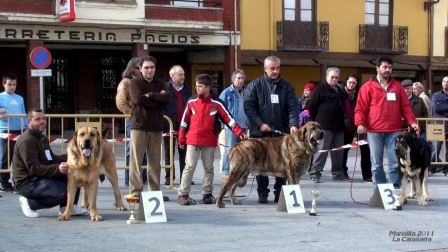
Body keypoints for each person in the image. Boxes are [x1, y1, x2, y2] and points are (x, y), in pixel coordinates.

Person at [177, 74, 246, 205]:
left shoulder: (217, 103)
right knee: (189, 167)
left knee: (208, 168)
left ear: (208, 87)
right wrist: (181, 138)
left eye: (200, 87)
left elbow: (229, 119)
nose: (197, 89)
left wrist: (240, 132)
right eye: (196, 86)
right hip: (192, 140)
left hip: (209, 141)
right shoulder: (191, 102)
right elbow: (184, 122)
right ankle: (183, 194)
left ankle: (207, 194)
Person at [355, 56, 419, 189]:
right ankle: (380, 189)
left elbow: (405, 107)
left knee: (395, 162)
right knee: (376, 163)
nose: (387, 70)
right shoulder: (367, 86)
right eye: (385, 67)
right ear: (377, 68)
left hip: (393, 131)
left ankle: (395, 188)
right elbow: (360, 108)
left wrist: (412, 122)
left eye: (390, 67)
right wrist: (360, 124)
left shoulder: (397, 86)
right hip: (374, 131)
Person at [13, 109, 88, 218]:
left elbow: (51, 159)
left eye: (43, 118)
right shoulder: (27, 141)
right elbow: (33, 168)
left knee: (74, 176)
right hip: (28, 181)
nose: (42, 121)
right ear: (29, 122)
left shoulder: (42, 138)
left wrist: (73, 155)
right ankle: (29, 203)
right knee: (63, 193)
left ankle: (67, 207)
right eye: (37, 119)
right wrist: (58, 169)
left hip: (41, 175)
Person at [244, 56, 299, 204]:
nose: (275, 71)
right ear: (265, 69)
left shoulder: (287, 87)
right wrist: (260, 124)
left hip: (281, 135)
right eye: (272, 68)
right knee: (261, 164)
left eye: (277, 68)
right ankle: (262, 193)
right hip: (260, 134)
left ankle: (279, 194)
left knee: (283, 164)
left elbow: (293, 107)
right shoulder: (255, 85)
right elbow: (248, 106)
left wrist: (294, 124)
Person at [128, 55, 170, 201]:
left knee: (155, 163)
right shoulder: (134, 83)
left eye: (152, 67)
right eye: (146, 67)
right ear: (140, 68)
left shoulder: (160, 83)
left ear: (155, 68)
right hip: (139, 127)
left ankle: (154, 193)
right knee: (136, 162)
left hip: (156, 128)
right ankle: (135, 193)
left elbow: (167, 99)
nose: (149, 70)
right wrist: (157, 99)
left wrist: (151, 95)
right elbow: (138, 99)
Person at [308, 67, 346, 183]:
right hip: (324, 127)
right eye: (332, 77)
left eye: (336, 77)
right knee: (321, 152)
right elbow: (312, 106)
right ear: (327, 77)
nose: (334, 79)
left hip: (338, 127)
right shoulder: (321, 88)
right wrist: (317, 123)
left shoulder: (339, 90)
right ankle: (315, 173)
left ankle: (338, 174)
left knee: (338, 152)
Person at [115, 57, 147, 187]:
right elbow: (121, 102)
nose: (141, 70)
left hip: (145, 118)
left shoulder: (142, 82)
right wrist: (132, 115)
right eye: (138, 67)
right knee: (131, 148)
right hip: (133, 119)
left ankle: (143, 176)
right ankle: (129, 178)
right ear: (132, 68)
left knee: (143, 148)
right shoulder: (126, 82)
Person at [163, 65, 192, 186]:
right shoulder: (165, 87)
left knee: (184, 152)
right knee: (169, 152)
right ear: (172, 76)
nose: (183, 77)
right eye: (180, 75)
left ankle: (183, 177)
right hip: (169, 123)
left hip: (183, 124)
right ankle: (169, 177)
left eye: (183, 74)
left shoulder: (186, 88)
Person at [341, 74, 372, 183]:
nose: (351, 84)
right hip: (346, 126)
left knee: (365, 149)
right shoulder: (340, 93)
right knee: (345, 149)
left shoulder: (359, 94)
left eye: (354, 83)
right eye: (350, 82)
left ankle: (367, 175)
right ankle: (343, 172)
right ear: (346, 82)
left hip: (360, 125)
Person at [0, 73, 27, 192]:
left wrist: (26, 127)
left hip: (20, 130)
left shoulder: (20, 98)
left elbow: (23, 113)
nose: (12, 87)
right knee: (6, 157)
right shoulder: (0, 97)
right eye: (9, 84)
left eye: (14, 84)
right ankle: (4, 183)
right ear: (4, 84)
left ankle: (18, 182)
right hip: (6, 131)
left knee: (19, 158)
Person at [219, 69, 248, 178]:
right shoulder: (226, 93)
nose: (241, 81)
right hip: (231, 127)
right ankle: (226, 171)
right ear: (233, 80)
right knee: (230, 148)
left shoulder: (246, 93)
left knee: (243, 150)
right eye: (239, 78)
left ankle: (241, 171)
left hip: (244, 126)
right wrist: (224, 124)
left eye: (242, 78)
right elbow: (220, 109)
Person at [430, 75, 448, 176]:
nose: (446, 83)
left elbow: (440, 108)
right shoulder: (435, 95)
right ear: (442, 83)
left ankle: (446, 169)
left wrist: (442, 107)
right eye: (444, 81)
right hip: (438, 125)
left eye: (447, 81)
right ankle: (432, 167)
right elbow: (436, 108)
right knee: (436, 147)